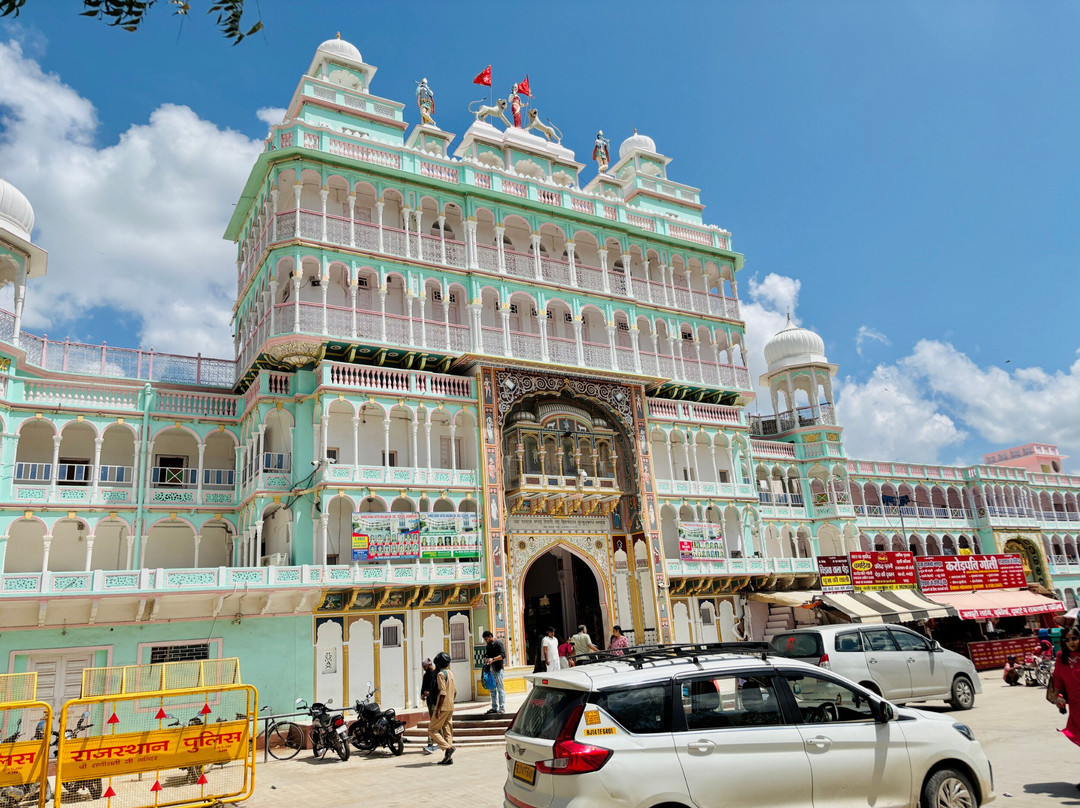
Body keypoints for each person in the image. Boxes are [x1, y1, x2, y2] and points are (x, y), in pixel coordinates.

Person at [1052, 626, 1080, 787]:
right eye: (1067, 639)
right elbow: (1058, 679)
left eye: (1074, 638)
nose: (1071, 642)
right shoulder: (1061, 658)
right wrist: (1059, 697)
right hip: (1076, 708)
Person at [429, 651, 456, 765]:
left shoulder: (441, 675)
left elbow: (443, 692)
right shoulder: (450, 673)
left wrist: (438, 708)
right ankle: (448, 758)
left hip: (443, 706)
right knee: (447, 731)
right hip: (450, 706)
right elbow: (455, 691)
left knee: (432, 730)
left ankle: (448, 748)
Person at [482, 630, 506, 714]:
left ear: (490, 636)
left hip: (498, 669)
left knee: (500, 688)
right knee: (492, 689)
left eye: (486, 639)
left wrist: (493, 659)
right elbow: (486, 655)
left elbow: (503, 655)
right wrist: (485, 658)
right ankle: (494, 707)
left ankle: (502, 708)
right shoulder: (488, 645)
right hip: (490, 670)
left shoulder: (498, 644)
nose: (486, 641)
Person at [420, 657, 439, 753]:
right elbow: (424, 687)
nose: (424, 668)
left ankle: (434, 743)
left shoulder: (437, 674)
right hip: (430, 702)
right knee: (433, 721)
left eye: (425, 666)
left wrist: (430, 693)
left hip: (437, 701)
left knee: (435, 722)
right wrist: (423, 694)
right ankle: (434, 742)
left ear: (429, 665)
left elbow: (438, 689)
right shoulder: (426, 675)